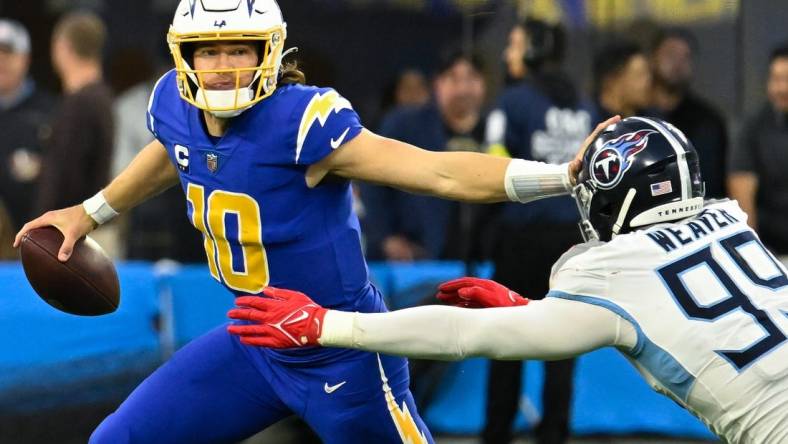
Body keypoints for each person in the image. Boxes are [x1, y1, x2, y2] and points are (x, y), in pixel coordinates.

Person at [14, 2, 617, 443]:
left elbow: (436, 172)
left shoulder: (303, 123)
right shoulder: (173, 104)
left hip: (342, 348)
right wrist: (89, 212)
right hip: (253, 341)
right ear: (185, 56)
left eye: (239, 50)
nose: (223, 66)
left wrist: (560, 176)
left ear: (268, 53)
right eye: (210, 50)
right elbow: (172, 152)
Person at [229, 116, 788, 444]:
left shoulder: (612, 270)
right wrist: (529, 308)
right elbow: (681, 315)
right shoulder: (731, 223)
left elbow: (463, 336)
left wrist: (328, 323)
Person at [482, 18, 593, 444]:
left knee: (505, 342)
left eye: (513, 45)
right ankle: (554, 436)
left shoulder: (511, 103)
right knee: (562, 347)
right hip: (571, 242)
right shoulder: (585, 107)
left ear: (531, 52)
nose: (508, 55)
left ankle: (496, 435)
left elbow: (493, 168)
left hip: (520, 241)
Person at [362, 51, 489, 261]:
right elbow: (370, 177)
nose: (463, 89)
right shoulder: (404, 124)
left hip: (481, 261)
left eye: (471, 78)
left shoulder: (497, 130)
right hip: (415, 261)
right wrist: (386, 237)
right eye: (454, 78)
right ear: (437, 83)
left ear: (484, 84)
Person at [36, 12, 113, 215]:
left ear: (62, 46)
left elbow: (66, 176)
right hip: (90, 221)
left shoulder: (80, 103)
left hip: (72, 230)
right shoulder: (102, 97)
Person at [650, 28, 728, 198]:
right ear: (653, 59)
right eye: (670, 55)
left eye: (685, 57)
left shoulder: (709, 122)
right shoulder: (636, 118)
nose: (677, 64)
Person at [728, 44, 788, 255]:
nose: (780, 89)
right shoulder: (753, 128)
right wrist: (754, 255)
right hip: (776, 252)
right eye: (775, 79)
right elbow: (742, 190)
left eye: (786, 80)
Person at [0, 19, 55, 230]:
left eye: (8, 53)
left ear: (26, 58)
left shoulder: (50, 112)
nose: (1, 61)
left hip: (32, 239)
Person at [593, 40, 653, 119]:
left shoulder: (650, 121)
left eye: (648, 74)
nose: (648, 82)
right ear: (611, 80)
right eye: (639, 75)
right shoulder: (586, 121)